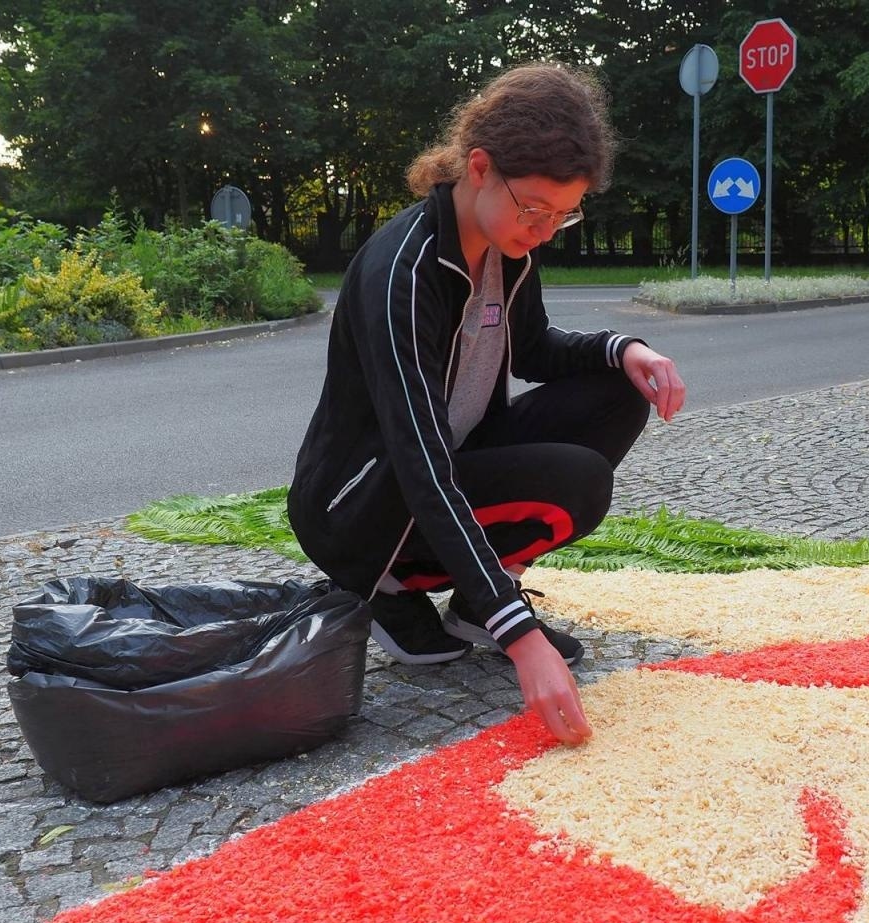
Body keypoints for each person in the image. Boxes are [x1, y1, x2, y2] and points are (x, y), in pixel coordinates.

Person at [287, 64, 684, 748]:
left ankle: (476, 602)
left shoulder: (510, 251)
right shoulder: (402, 275)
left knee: (619, 392)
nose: (547, 228)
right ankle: (387, 589)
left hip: (448, 464)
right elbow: (419, 461)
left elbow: (533, 349)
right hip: (361, 509)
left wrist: (624, 350)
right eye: (535, 208)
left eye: (565, 213)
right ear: (478, 167)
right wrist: (524, 639)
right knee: (578, 481)